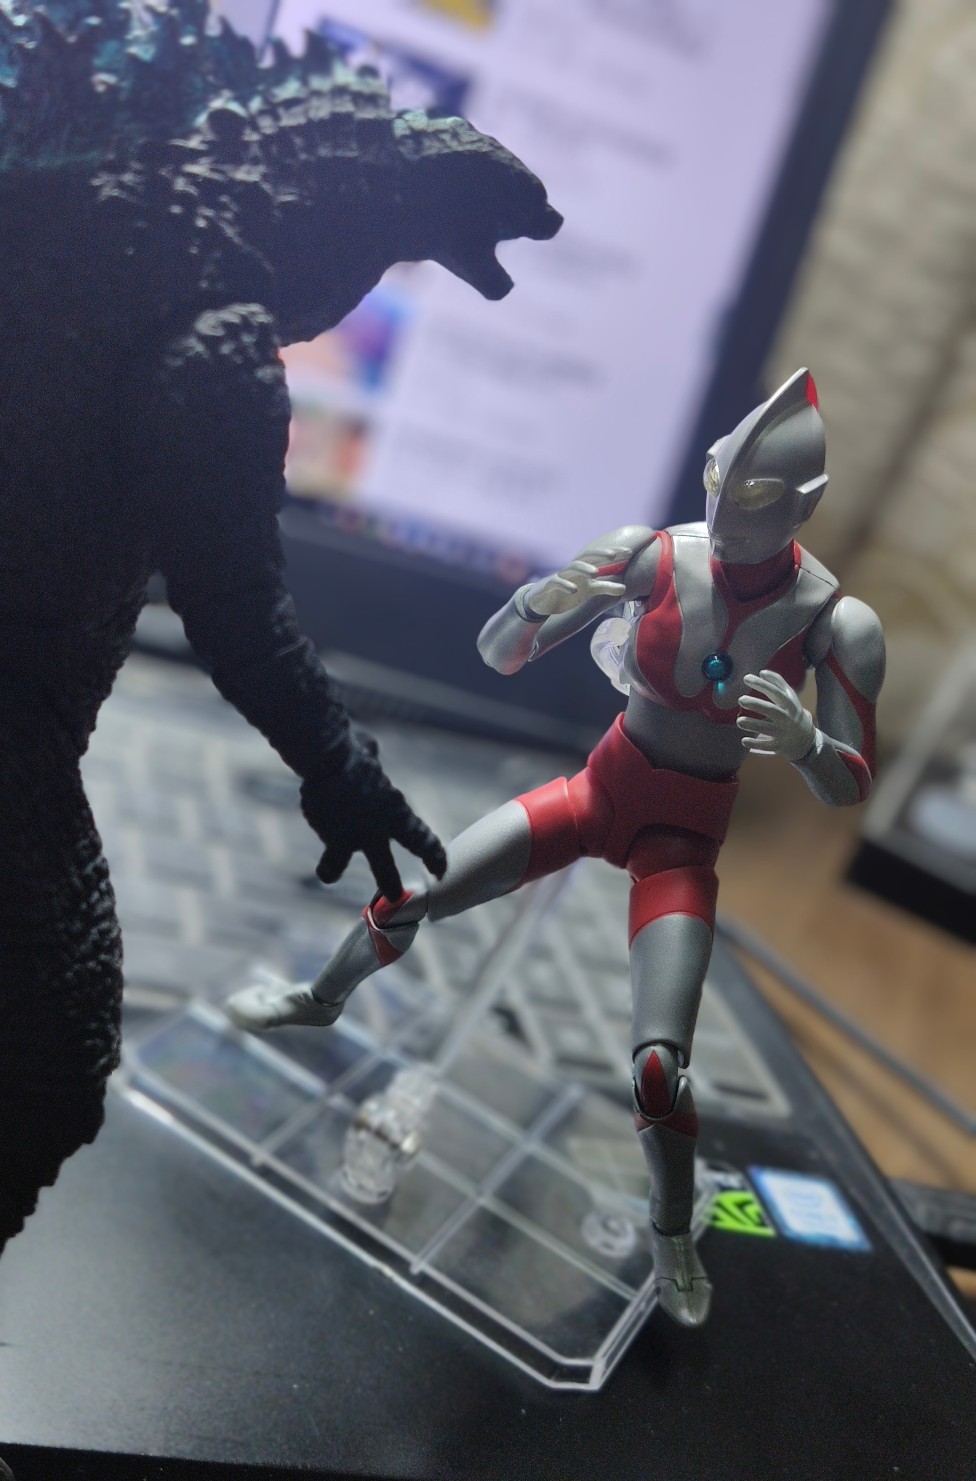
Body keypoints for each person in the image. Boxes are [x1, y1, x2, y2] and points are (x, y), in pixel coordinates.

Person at [226, 368, 887, 1329]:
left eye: (752, 495)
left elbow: (852, 785)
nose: (722, 509)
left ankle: (671, 1231)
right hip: (597, 792)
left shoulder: (835, 623)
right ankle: (318, 999)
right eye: (716, 477)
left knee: (659, 1067)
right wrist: (543, 599)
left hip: (681, 842)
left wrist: (806, 743)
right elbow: (499, 654)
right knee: (414, 893)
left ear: (803, 504)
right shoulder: (655, 556)